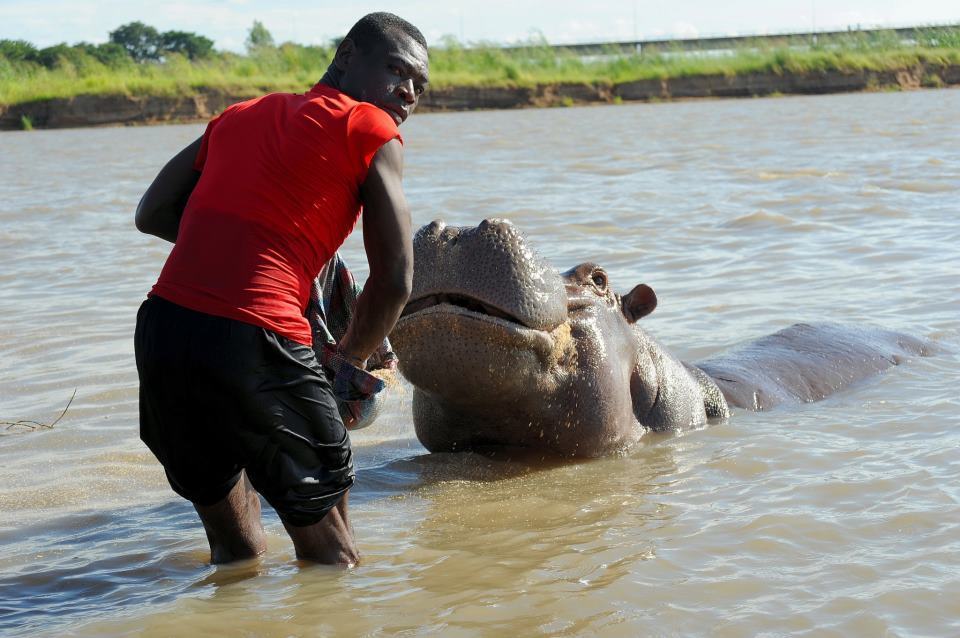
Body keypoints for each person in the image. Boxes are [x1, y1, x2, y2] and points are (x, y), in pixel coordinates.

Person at [133, 12, 429, 566]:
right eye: (396, 70)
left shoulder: (241, 115)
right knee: (334, 557)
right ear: (346, 56)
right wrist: (350, 362)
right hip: (259, 338)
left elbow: (152, 213)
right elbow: (396, 280)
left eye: (419, 84)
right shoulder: (370, 128)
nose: (408, 91)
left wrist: (255, 245)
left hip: (162, 334)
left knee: (234, 551)